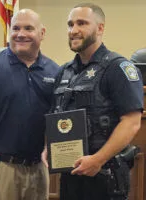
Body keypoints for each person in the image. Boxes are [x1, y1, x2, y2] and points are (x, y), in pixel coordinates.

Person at [44, 3, 143, 200]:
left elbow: (132, 122)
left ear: (100, 28)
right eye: (70, 24)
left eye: (82, 23)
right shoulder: (64, 72)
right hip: (72, 174)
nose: (74, 30)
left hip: (105, 175)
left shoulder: (118, 68)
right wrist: (48, 148)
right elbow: (58, 117)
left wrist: (98, 160)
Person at [0, 9, 59, 200]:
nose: (21, 34)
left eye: (28, 28)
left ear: (42, 33)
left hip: (38, 169)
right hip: (1, 168)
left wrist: (50, 148)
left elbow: (57, 117)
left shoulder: (54, 71)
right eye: (15, 28)